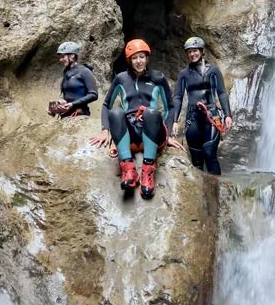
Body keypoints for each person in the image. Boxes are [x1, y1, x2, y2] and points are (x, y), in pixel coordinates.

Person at [89, 39, 184, 199]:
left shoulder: (158, 78)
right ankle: (128, 169)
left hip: (152, 130)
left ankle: (148, 169)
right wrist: (105, 131)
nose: (139, 61)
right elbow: (106, 105)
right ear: (129, 60)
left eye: (141, 57)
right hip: (131, 132)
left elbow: (170, 107)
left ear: (147, 58)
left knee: (151, 112)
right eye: (134, 58)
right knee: (116, 113)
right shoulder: (121, 79)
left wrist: (169, 136)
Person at [173, 36, 233, 175]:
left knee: (209, 153)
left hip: (211, 116)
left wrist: (228, 115)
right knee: (196, 160)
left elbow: (222, 93)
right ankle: (200, 195)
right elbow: (177, 97)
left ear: (201, 51)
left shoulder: (213, 71)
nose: (192, 54)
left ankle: (217, 191)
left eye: (195, 51)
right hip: (192, 119)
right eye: (189, 52)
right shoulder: (184, 74)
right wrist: (175, 121)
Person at [47, 41, 98, 118]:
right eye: (60, 57)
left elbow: (93, 94)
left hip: (80, 114)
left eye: (63, 56)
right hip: (66, 116)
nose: (60, 60)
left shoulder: (84, 71)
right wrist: (56, 108)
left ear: (72, 56)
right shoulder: (66, 73)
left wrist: (72, 104)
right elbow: (67, 96)